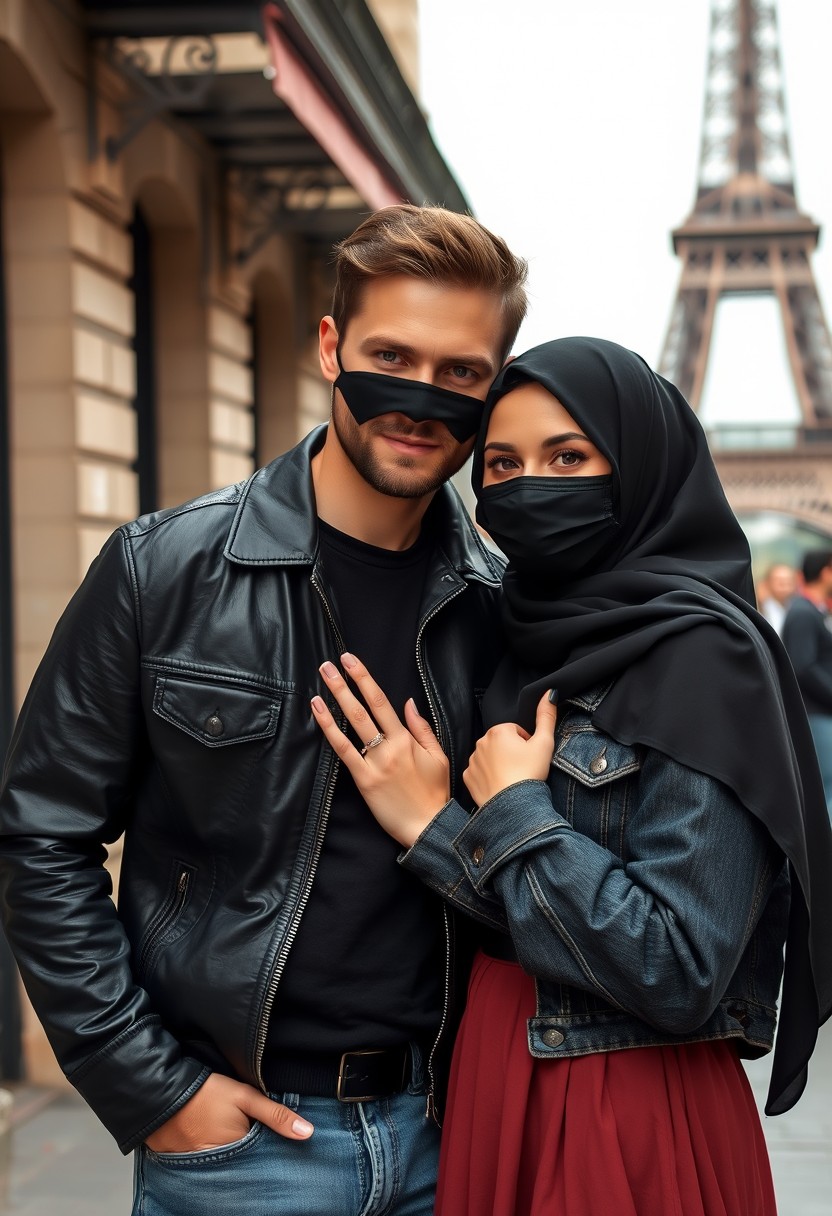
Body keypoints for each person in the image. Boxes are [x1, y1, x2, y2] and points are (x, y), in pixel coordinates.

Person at [0, 204, 528, 1216]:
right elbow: (43, 836)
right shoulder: (163, 569)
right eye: (390, 354)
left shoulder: (505, 613)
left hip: (455, 1139)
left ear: (492, 387)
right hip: (238, 1149)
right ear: (331, 347)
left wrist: (442, 828)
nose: (420, 398)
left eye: (460, 373)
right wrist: (151, 1085)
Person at [311, 337, 832, 1216]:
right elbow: (530, 917)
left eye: (568, 456)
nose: (526, 488)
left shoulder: (705, 657)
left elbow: (679, 967)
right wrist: (436, 828)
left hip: (623, 1101)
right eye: (503, 463)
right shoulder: (518, 635)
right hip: (501, 1071)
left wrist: (495, 813)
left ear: (638, 464)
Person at [782, 549, 832, 819]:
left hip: (819, 714)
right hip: (817, 715)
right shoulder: (803, 612)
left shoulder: (807, 610)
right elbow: (803, 665)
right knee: (827, 790)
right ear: (826, 571)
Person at [759, 562, 797, 634]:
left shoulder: (797, 608)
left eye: (789, 582)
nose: (785, 587)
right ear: (767, 583)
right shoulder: (761, 609)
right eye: (780, 582)